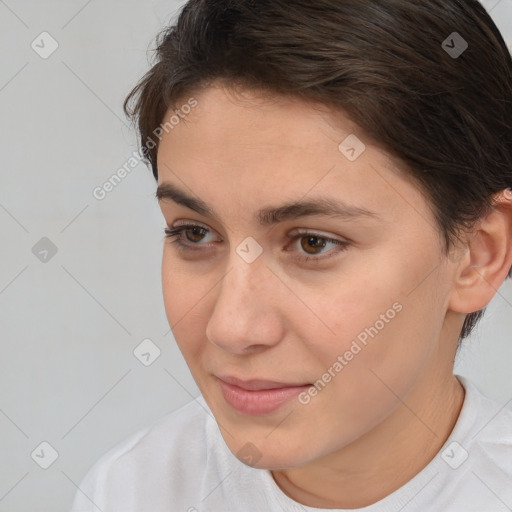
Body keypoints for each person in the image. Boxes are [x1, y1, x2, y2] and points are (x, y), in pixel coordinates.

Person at [70, 0, 512, 510]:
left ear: (479, 254)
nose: (231, 328)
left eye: (312, 243)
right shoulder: (129, 492)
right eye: (194, 233)